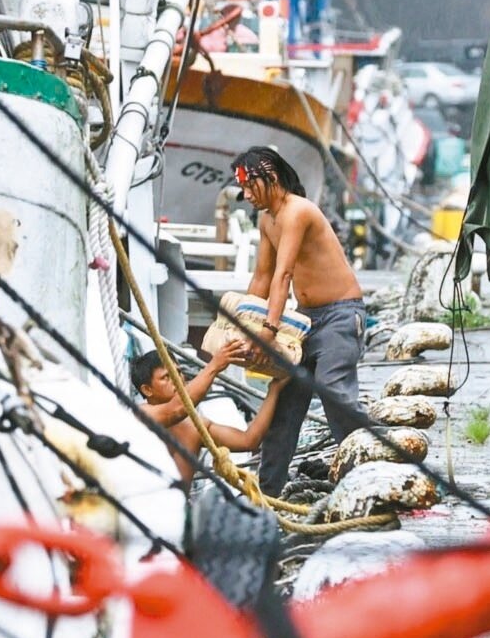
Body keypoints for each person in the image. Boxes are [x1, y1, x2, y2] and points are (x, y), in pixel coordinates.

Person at [231, 146, 366, 496]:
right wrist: (243, 326)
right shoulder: (266, 219)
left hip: (340, 315)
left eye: (249, 187)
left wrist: (268, 331)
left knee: (335, 392)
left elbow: (283, 274)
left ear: (269, 177)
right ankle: (269, 495)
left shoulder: (297, 211)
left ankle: (369, 477)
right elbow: (261, 278)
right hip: (305, 321)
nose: (246, 196)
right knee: (283, 400)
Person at [131, 340, 290, 489]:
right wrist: (214, 365)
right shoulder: (140, 415)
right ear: (147, 390)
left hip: (179, 512)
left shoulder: (195, 426)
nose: (177, 379)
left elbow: (249, 440)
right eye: (166, 376)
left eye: (178, 372)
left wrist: (274, 389)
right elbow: (176, 410)